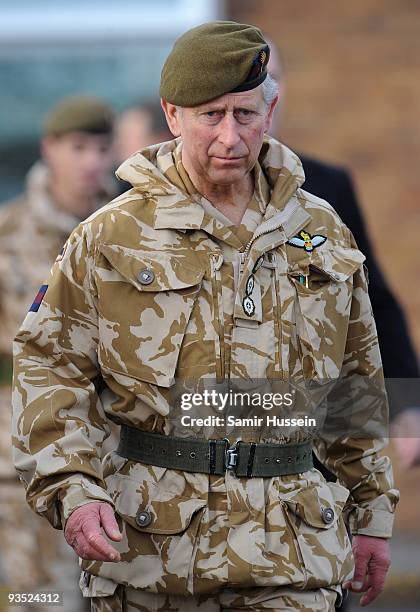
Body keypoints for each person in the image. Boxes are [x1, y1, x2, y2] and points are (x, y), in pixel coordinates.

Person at [12, 22, 399, 611]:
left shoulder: (321, 233)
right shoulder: (111, 236)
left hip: (292, 549)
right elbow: (50, 366)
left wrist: (372, 514)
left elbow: (356, 385)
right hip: (151, 555)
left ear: (269, 113)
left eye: (245, 114)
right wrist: (74, 488)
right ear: (173, 116)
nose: (229, 135)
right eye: (210, 115)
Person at [267, 39, 420, 470]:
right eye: (253, 80)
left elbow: (371, 298)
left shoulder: (327, 186)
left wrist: (408, 406)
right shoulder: (154, 197)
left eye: (274, 78)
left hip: (315, 432)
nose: (266, 95)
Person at [0, 95, 115, 607]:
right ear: (50, 148)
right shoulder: (8, 234)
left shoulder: (126, 226)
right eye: (78, 147)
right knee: (41, 601)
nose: (91, 161)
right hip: (27, 454)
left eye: (100, 147)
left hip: (115, 450)